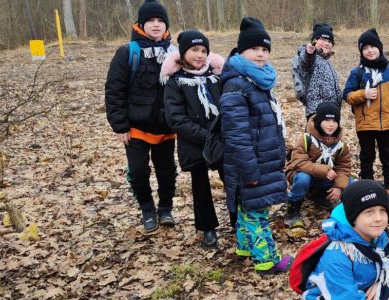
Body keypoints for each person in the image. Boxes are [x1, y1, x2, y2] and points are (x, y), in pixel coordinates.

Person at [219, 17, 292, 273]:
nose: (260, 55)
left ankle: (244, 247)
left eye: (264, 50)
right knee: (257, 211)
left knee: (245, 206)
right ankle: (267, 260)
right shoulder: (237, 83)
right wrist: (249, 171)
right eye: (254, 49)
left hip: (261, 158)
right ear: (241, 51)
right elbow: (236, 134)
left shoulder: (255, 80)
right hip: (250, 163)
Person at [104, 0, 177, 234]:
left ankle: (165, 208)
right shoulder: (128, 53)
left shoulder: (175, 53)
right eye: (150, 21)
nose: (156, 25)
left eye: (160, 21)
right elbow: (114, 90)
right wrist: (120, 126)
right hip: (135, 127)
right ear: (141, 24)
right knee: (137, 171)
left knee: (166, 170)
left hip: (166, 126)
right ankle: (147, 208)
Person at [161, 29, 225, 248]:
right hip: (194, 142)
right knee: (200, 186)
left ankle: (240, 220)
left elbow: (226, 105)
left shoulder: (215, 77)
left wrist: (221, 133)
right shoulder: (176, 82)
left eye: (203, 50)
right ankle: (207, 228)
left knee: (232, 179)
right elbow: (175, 119)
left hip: (220, 139)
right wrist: (205, 136)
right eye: (194, 50)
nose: (199, 55)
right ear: (183, 52)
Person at [303, 180, 389, 299]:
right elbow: (345, 296)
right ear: (353, 217)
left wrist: (383, 286)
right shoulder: (337, 254)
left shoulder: (382, 238)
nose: (378, 218)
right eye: (369, 212)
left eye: (383, 210)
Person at [343, 28, 389, 196]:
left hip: (387, 123)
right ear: (361, 52)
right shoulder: (358, 72)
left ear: (380, 48)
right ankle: (366, 185)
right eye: (365, 48)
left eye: (373, 46)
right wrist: (364, 94)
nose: (369, 50)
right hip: (365, 124)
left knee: (388, 156)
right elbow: (347, 95)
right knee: (367, 157)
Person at [284, 102, 353, 226]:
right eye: (326, 120)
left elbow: (344, 167)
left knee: (350, 182)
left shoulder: (341, 145)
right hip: (301, 175)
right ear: (318, 121)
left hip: (325, 178)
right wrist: (324, 170)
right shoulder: (306, 139)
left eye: (334, 121)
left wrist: (339, 186)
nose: (331, 124)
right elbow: (298, 162)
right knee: (303, 179)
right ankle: (293, 208)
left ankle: (342, 207)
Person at [291, 23, 343, 119]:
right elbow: (306, 60)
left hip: (332, 111)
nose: (327, 43)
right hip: (316, 111)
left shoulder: (328, 63)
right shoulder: (311, 57)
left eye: (329, 41)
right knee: (313, 134)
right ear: (314, 41)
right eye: (323, 40)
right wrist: (309, 52)